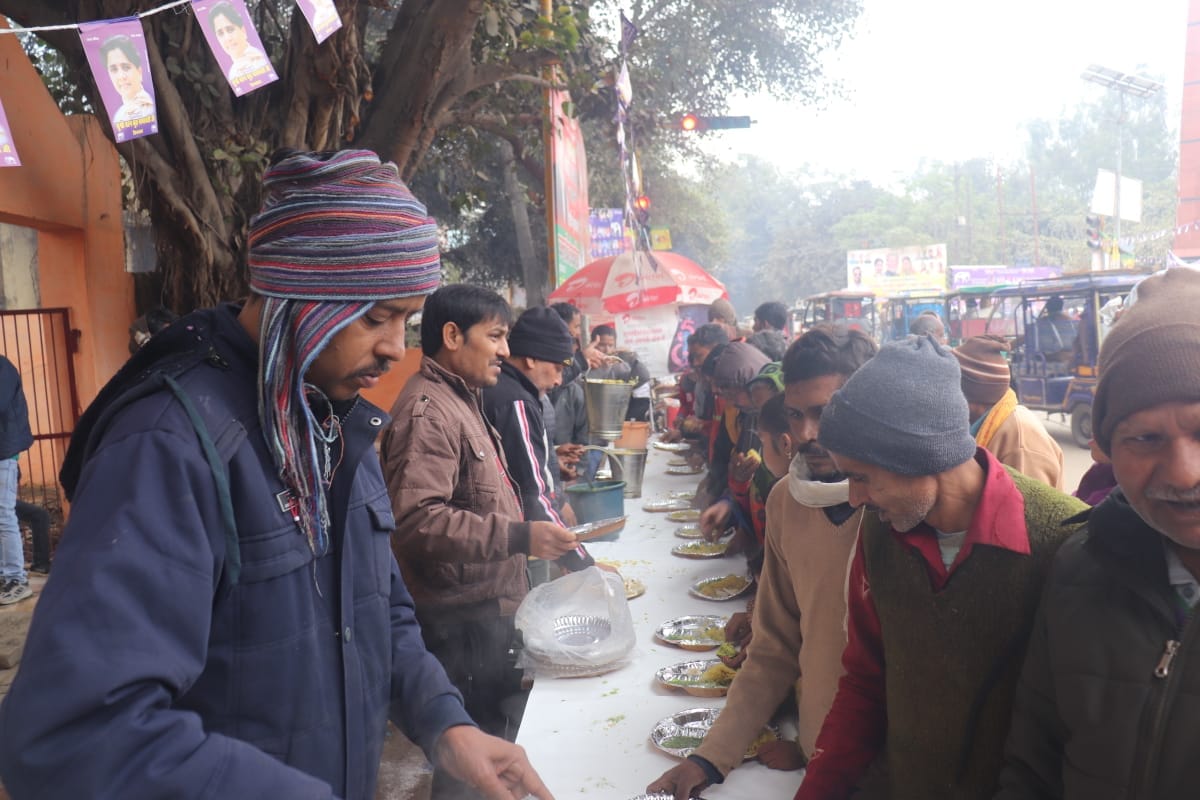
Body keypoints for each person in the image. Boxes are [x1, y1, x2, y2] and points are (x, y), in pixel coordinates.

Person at [0, 150, 552, 800]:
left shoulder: (332, 424)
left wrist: (445, 724)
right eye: (374, 316)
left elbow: (381, 613)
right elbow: (75, 732)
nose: (395, 347)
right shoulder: (170, 444)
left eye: (404, 318)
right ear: (299, 297)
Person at [794, 335, 1088, 800]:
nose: (854, 499)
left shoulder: (1062, 540)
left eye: (862, 477)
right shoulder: (880, 534)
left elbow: (1076, 736)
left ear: (920, 455)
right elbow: (866, 683)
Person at [648, 325, 879, 800]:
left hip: (889, 768)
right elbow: (773, 645)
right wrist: (712, 756)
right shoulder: (785, 503)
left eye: (825, 413)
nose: (806, 433)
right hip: (817, 753)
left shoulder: (894, 508)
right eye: (796, 415)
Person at [995, 266, 1200, 799]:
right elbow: (1033, 763)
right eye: (1145, 439)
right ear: (1107, 449)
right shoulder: (1079, 569)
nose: (1183, 473)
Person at [382, 284, 578, 793]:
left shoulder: (460, 399)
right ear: (452, 335)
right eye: (495, 336)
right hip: (459, 626)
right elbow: (418, 522)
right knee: (468, 770)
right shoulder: (428, 410)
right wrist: (518, 535)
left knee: (491, 757)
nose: (505, 351)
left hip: (483, 617)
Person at [481, 306, 594, 573]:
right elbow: (533, 493)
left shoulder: (507, 389)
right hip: (507, 546)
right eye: (556, 368)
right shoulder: (516, 400)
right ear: (531, 359)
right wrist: (583, 565)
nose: (557, 381)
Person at [951, 334, 1064, 489]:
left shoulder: (1020, 442)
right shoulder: (981, 425)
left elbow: (1027, 511)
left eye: (948, 390)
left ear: (967, 399)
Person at [0, 355, 33, 605]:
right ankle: (5, 576)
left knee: (4, 515)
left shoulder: (2, 367)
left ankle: (17, 579)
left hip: (4, 451)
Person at [208, 1, 272, 83]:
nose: (227, 38)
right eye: (220, 33)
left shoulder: (260, 60)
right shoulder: (232, 73)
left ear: (243, 30)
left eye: (230, 29)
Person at [99, 35, 154, 128]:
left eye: (126, 67)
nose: (121, 76)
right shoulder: (118, 118)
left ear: (139, 72)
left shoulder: (153, 107)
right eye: (114, 70)